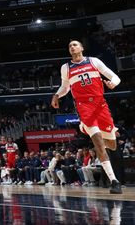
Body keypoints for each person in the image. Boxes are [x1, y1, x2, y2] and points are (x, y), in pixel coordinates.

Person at [51, 39, 123, 194]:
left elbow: (115, 77)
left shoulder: (94, 61)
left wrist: (113, 84)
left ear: (82, 48)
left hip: (100, 105)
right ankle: (114, 181)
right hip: (84, 107)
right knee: (97, 141)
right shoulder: (66, 67)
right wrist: (57, 95)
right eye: (69, 45)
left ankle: (99, 137)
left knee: (111, 145)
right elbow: (65, 87)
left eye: (75, 44)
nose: (72, 47)